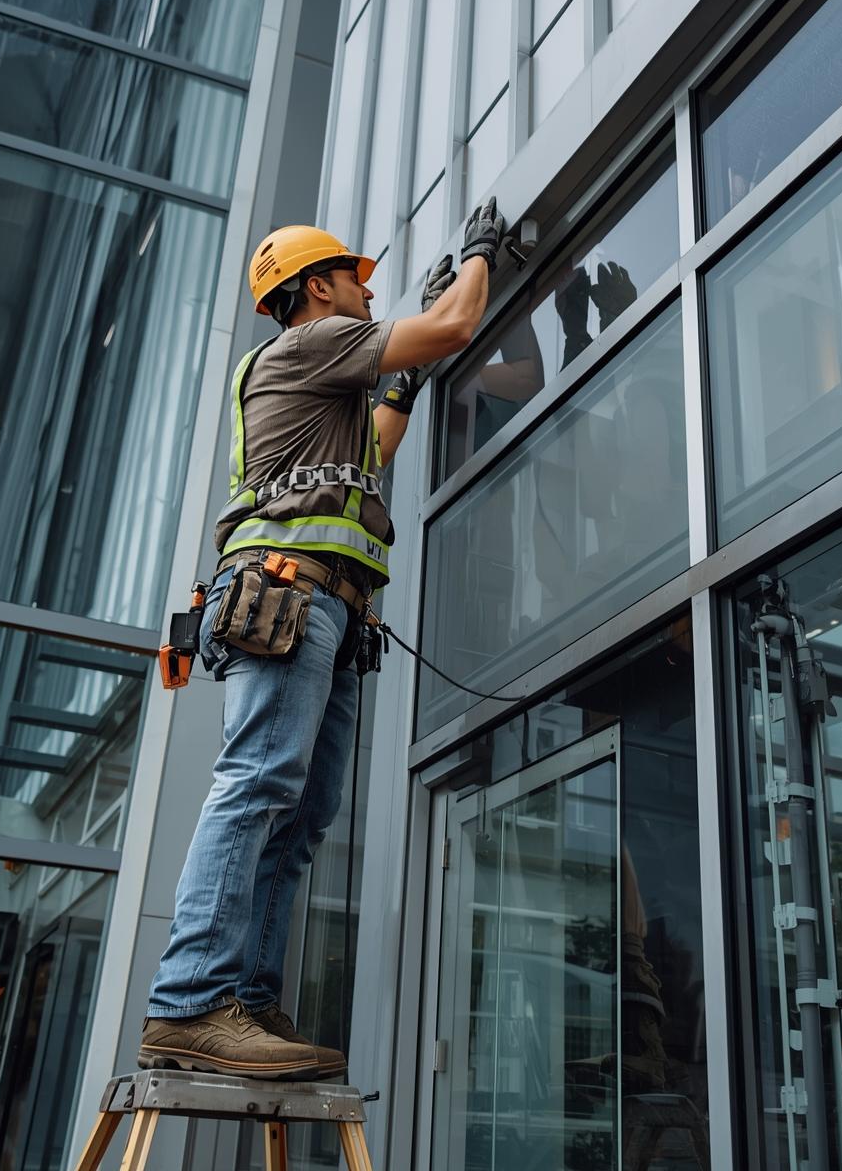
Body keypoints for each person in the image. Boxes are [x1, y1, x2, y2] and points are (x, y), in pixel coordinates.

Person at [139, 199, 507, 1081]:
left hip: (329, 612)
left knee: (301, 815)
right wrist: (480, 261)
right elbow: (455, 325)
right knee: (258, 782)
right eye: (354, 279)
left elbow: (373, 450)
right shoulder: (307, 345)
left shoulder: (327, 379)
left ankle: (248, 998)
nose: (367, 295)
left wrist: (403, 380)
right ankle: (192, 1000)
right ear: (314, 289)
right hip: (289, 592)